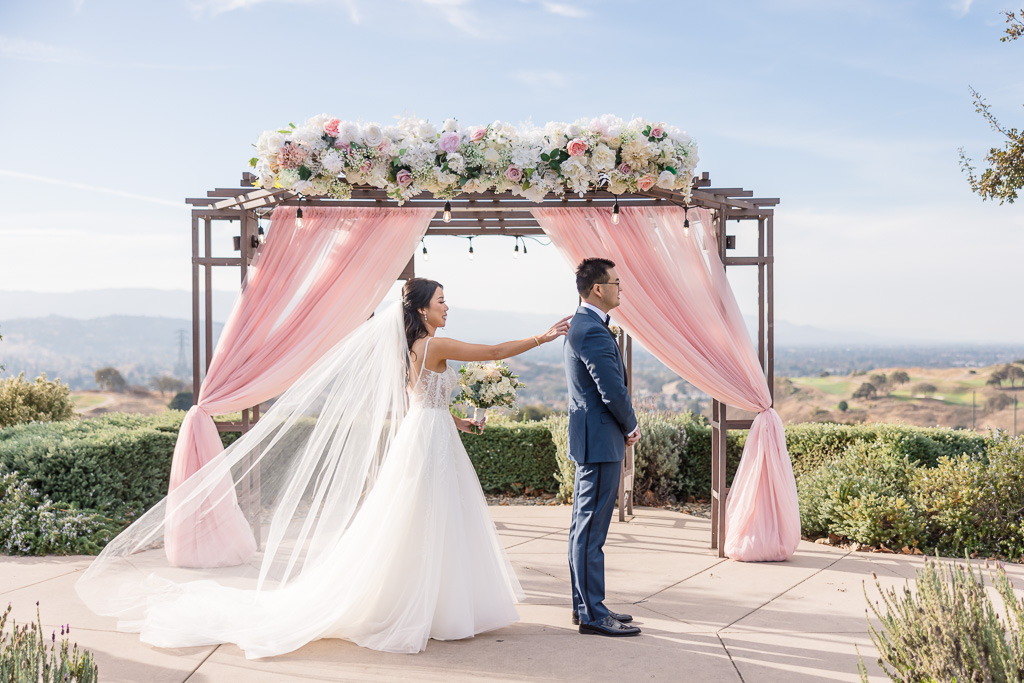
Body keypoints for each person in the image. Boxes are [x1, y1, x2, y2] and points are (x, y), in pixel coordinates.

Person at [75, 278, 570, 657]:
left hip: (430, 435)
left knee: (422, 521)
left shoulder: (408, 349)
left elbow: (419, 402)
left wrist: (459, 422)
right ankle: (425, 607)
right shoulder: (434, 344)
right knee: (429, 520)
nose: (446, 306)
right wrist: (543, 336)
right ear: (421, 309)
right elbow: (493, 353)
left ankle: (434, 603)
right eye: (440, 300)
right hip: (428, 443)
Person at [564, 258, 642, 637]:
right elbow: (610, 388)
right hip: (600, 441)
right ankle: (593, 614)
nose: (620, 287)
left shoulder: (585, 325)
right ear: (598, 288)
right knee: (591, 530)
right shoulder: (591, 330)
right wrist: (632, 424)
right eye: (616, 282)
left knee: (586, 527)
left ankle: (586, 606)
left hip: (595, 439)